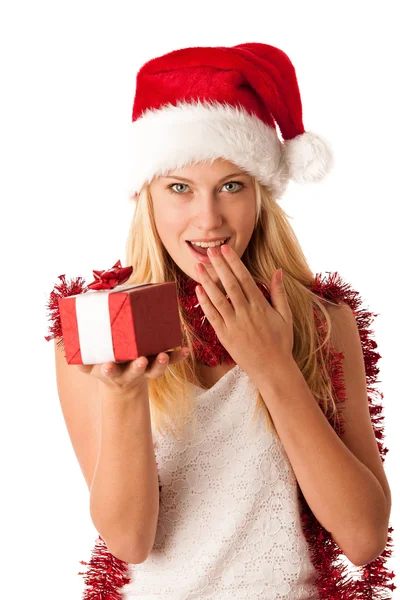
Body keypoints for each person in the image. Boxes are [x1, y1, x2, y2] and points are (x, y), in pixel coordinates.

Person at [45, 42, 395, 599]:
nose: (208, 219)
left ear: (261, 195)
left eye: (231, 186)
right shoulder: (100, 328)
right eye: (179, 188)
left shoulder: (321, 322)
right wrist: (124, 398)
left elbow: (362, 536)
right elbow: (130, 542)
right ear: (148, 197)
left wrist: (274, 367)